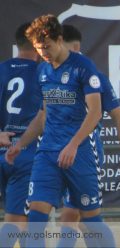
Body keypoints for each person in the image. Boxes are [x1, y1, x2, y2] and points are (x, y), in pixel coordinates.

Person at [5, 15, 115, 248]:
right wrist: (21, 144)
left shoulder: (83, 67)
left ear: (60, 40)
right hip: (48, 152)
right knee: (36, 213)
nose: (43, 52)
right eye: (38, 48)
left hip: (80, 152)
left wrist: (73, 144)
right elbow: (43, 115)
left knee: (90, 218)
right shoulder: (43, 70)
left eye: (47, 46)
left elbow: (94, 112)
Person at [56, 24, 120, 247]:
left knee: (75, 218)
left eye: (56, 44)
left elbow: (119, 116)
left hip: (84, 157)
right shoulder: (51, 73)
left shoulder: (92, 75)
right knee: (73, 218)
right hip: (58, 154)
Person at [0, 22, 40, 248]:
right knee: (18, 222)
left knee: (27, 223)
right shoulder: (43, 73)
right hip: (25, 156)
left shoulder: (2, 69)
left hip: (4, 151)